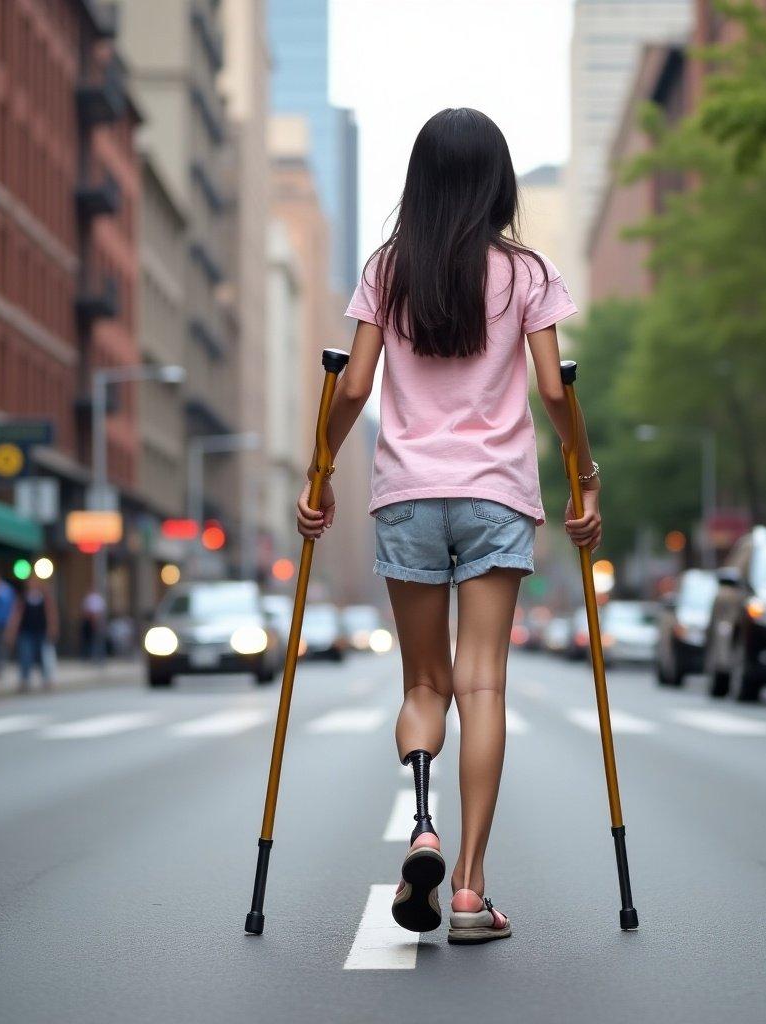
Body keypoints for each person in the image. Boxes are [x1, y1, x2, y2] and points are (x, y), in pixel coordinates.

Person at [295, 109, 601, 945]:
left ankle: (421, 826)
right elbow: (551, 388)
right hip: (497, 493)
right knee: (483, 686)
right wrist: (583, 473)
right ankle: (468, 889)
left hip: (405, 495)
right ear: (498, 181)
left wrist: (319, 469)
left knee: (423, 685)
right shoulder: (526, 274)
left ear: (419, 181)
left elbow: (352, 389)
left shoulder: (388, 270)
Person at [6, 578, 59, 691]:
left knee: (44, 657)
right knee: (25, 656)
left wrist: (52, 628)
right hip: (26, 632)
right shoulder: (23, 598)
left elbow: (51, 613)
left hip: (41, 631)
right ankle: (24, 680)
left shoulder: (44, 598)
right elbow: (17, 615)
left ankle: (47, 679)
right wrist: (12, 631)